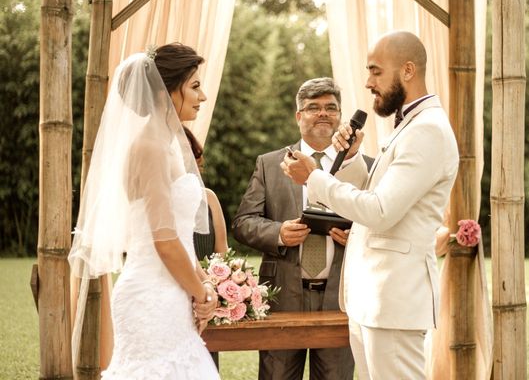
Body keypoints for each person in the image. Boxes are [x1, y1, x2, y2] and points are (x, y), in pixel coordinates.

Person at [282, 31, 460, 379]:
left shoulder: (427, 130)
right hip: (374, 298)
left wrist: (314, 177)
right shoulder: (408, 125)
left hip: (394, 298)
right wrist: (349, 160)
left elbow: (380, 211)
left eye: (376, 71)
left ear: (408, 70)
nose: (368, 82)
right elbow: (374, 195)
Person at [69, 43, 220, 379]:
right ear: (166, 90)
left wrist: (203, 282)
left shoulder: (166, 145)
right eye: (194, 86)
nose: (203, 96)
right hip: (152, 295)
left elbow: (180, 233)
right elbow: (164, 240)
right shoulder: (149, 146)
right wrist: (202, 293)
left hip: (174, 292)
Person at [233, 77, 365, 380]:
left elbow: (378, 219)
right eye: (313, 107)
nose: (323, 114)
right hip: (282, 297)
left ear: (341, 116)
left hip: (341, 297)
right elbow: (243, 222)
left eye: (331, 108)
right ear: (298, 116)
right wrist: (278, 233)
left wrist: (356, 237)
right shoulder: (269, 164)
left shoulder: (362, 165)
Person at [184, 126, 229, 260]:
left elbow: (222, 250)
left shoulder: (209, 197)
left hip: (209, 278)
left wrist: (215, 277)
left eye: (187, 149)